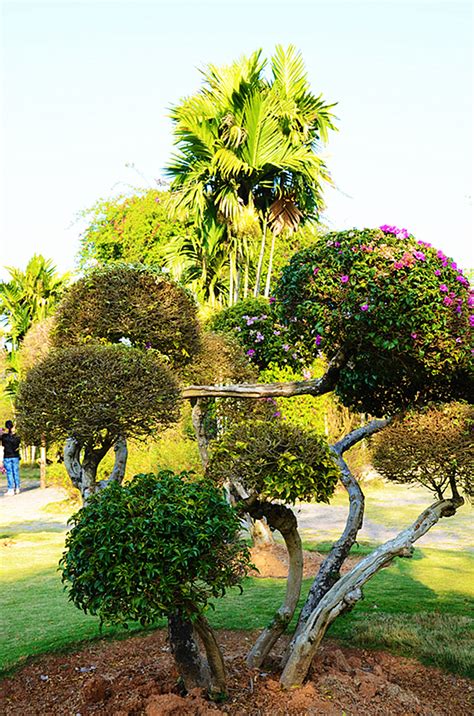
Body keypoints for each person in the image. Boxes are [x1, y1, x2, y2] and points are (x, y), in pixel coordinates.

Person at [1, 420, 21, 496]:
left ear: (6, 427)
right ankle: (17, 488)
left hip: (7, 457)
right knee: (16, 472)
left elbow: (2, 444)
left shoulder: (4, 437)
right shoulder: (17, 437)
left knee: (9, 473)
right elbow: (18, 445)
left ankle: (11, 489)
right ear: (12, 427)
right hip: (15, 456)